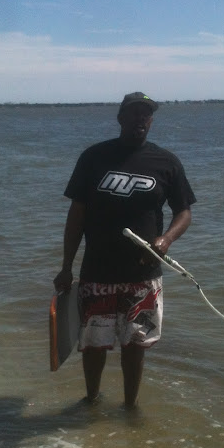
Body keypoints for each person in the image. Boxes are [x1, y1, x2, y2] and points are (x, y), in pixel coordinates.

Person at [53, 92, 196, 408]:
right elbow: (76, 215)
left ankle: (130, 407)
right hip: (97, 272)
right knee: (93, 345)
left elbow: (184, 212)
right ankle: (91, 401)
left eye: (146, 114)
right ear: (120, 118)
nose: (140, 119)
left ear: (151, 121)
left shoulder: (167, 162)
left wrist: (166, 240)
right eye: (134, 114)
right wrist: (66, 267)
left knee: (135, 345)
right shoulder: (93, 157)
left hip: (143, 276)